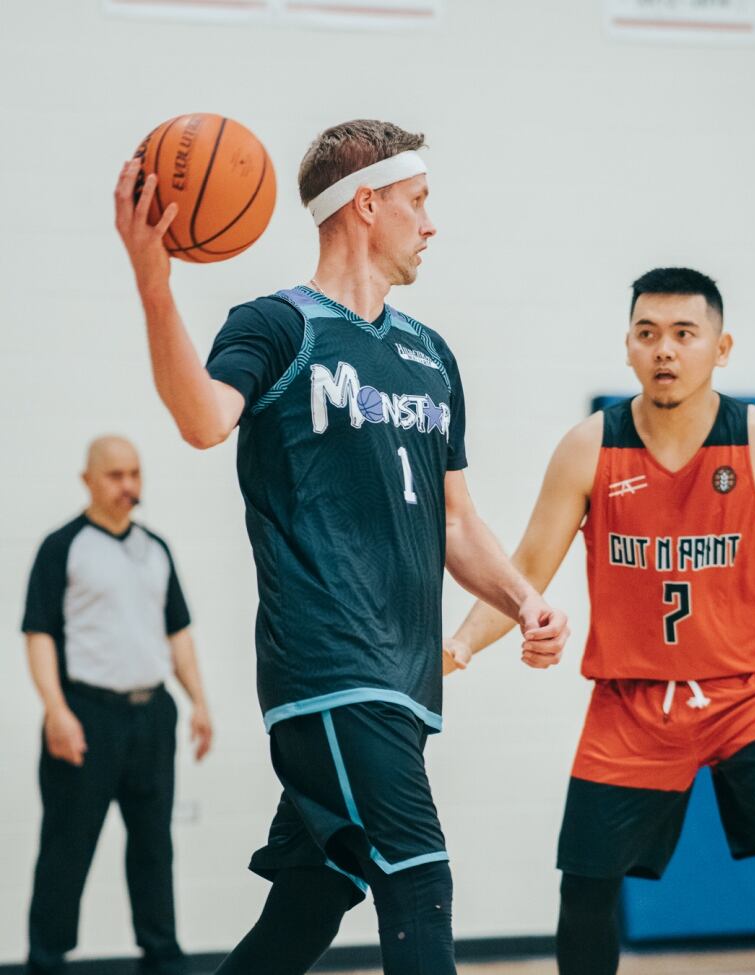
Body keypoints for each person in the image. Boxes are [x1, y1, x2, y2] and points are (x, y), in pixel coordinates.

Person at [114, 119, 569, 975]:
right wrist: (154, 288)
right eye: (419, 202)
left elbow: (455, 521)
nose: (432, 224)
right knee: (420, 878)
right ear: (367, 205)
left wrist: (524, 599)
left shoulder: (430, 356)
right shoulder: (279, 327)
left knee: (309, 902)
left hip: (402, 681)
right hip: (328, 670)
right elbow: (205, 418)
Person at [444, 267, 755, 974]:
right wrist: (464, 643)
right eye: (648, 333)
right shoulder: (591, 446)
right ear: (627, 345)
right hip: (633, 704)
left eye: (685, 334)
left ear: (721, 348)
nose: (665, 350)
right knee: (587, 886)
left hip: (754, 694)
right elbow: (529, 562)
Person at [22, 436, 213, 975]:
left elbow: (178, 633)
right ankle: (47, 959)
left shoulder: (156, 548)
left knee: (154, 845)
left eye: (135, 474)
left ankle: (162, 955)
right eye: (115, 476)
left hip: (152, 716)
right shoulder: (62, 546)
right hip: (86, 715)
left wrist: (199, 702)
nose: (129, 486)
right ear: (88, 479)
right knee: (67, 845)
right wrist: (56, 711)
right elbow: (38, 634)